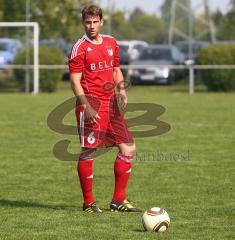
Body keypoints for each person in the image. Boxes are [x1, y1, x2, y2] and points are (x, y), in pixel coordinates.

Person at [68, 5, 141, 213]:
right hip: (92, 104)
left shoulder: (111, 42)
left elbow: (116, 70)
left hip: (112, 104)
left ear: (101, 22)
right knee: (89, 152)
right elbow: (74, 81)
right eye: (88, 22)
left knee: (128, 148)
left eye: (95, 22)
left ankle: (118, 200)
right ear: (84, 23)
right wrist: (86, 105)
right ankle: (88, 203)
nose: (92, 26)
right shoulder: (79, 47)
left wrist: (122, 91)